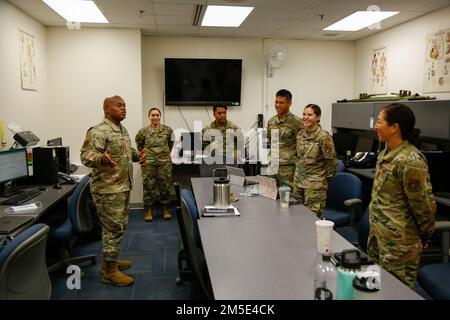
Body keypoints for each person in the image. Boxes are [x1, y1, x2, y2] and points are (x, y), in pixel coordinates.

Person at [368, 103, 436, 288]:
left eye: (380, 121)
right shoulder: (386, 153)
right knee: (376, 289)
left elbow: (423, 205)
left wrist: (425, 235)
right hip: (379, 237)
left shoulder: (410, 160)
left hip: (400, 244)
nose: (375, 126)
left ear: (395, 127)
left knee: (396, 291)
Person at [80, 95, 145, 286]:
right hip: (107, 190)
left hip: (122, 187)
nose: (124, 108)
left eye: (125, 105)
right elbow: (85, 156)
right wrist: (101, 158)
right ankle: (108, 271)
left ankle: (112, 259)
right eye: (119, 106)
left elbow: (125, 152)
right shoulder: (99, 131)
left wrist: (137, 155)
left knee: (120, 227)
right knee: (112, 228)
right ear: (107, 109)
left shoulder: (122, 130)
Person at [293, 104, 337, 217]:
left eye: (310, 115)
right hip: (298, 183)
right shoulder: (300, 135)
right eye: (304, 114)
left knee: (311, 219)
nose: (305, 117)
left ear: (318, 117)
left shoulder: (324, 137)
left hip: (315, 186)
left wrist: (325, 182)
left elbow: (331, 162)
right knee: (296, 215)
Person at [135, 108, 174, 222]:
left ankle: (165, 209)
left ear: (160, 116)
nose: (155, 117)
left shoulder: (168, 130)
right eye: (153, 115)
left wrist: (164, 155)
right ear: (149, 117)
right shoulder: (143, 131)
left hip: (164, 163)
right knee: (148, 186)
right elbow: (140, 145)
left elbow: (170, 144)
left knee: (165, 185)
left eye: (157, 115)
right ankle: (149, 210)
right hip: (149, 162)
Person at [267, 89, 304, 187]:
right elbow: (270, 141)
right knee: (270, 196)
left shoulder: (297, 122)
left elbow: (302, 146)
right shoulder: (271, 121)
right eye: (276, 102)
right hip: (272, 166)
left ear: (289, 103)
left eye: (281, 103)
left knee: (287, 199)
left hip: (288, 169)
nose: (278, 105)